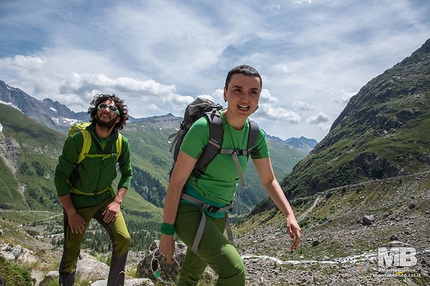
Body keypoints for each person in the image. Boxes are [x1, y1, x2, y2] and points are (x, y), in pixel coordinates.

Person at [159, 65, 301, 285]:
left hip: (217, 216)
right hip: (190, 211)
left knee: (189, 276)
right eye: (237, 90)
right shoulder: (204, 128)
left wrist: (289, 214)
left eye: (253, 92)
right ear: (225, 93)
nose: (245, 98)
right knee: (234, 272)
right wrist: (166, 234)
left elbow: (269, 180)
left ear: (259, 97)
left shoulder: (255, 135)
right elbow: (176, 184)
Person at [54, 94, 133, 286]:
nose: (106, 109)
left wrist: (117, 201)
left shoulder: (121, 143)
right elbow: (60, 177)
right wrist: (71, 212)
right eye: (102, 106)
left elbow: (127, 173)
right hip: (79, 201)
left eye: (112, 108)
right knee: (72, 250)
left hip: (105, 199)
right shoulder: (79, 140)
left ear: (119, 118)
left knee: (123, 239)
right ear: (95, 111)